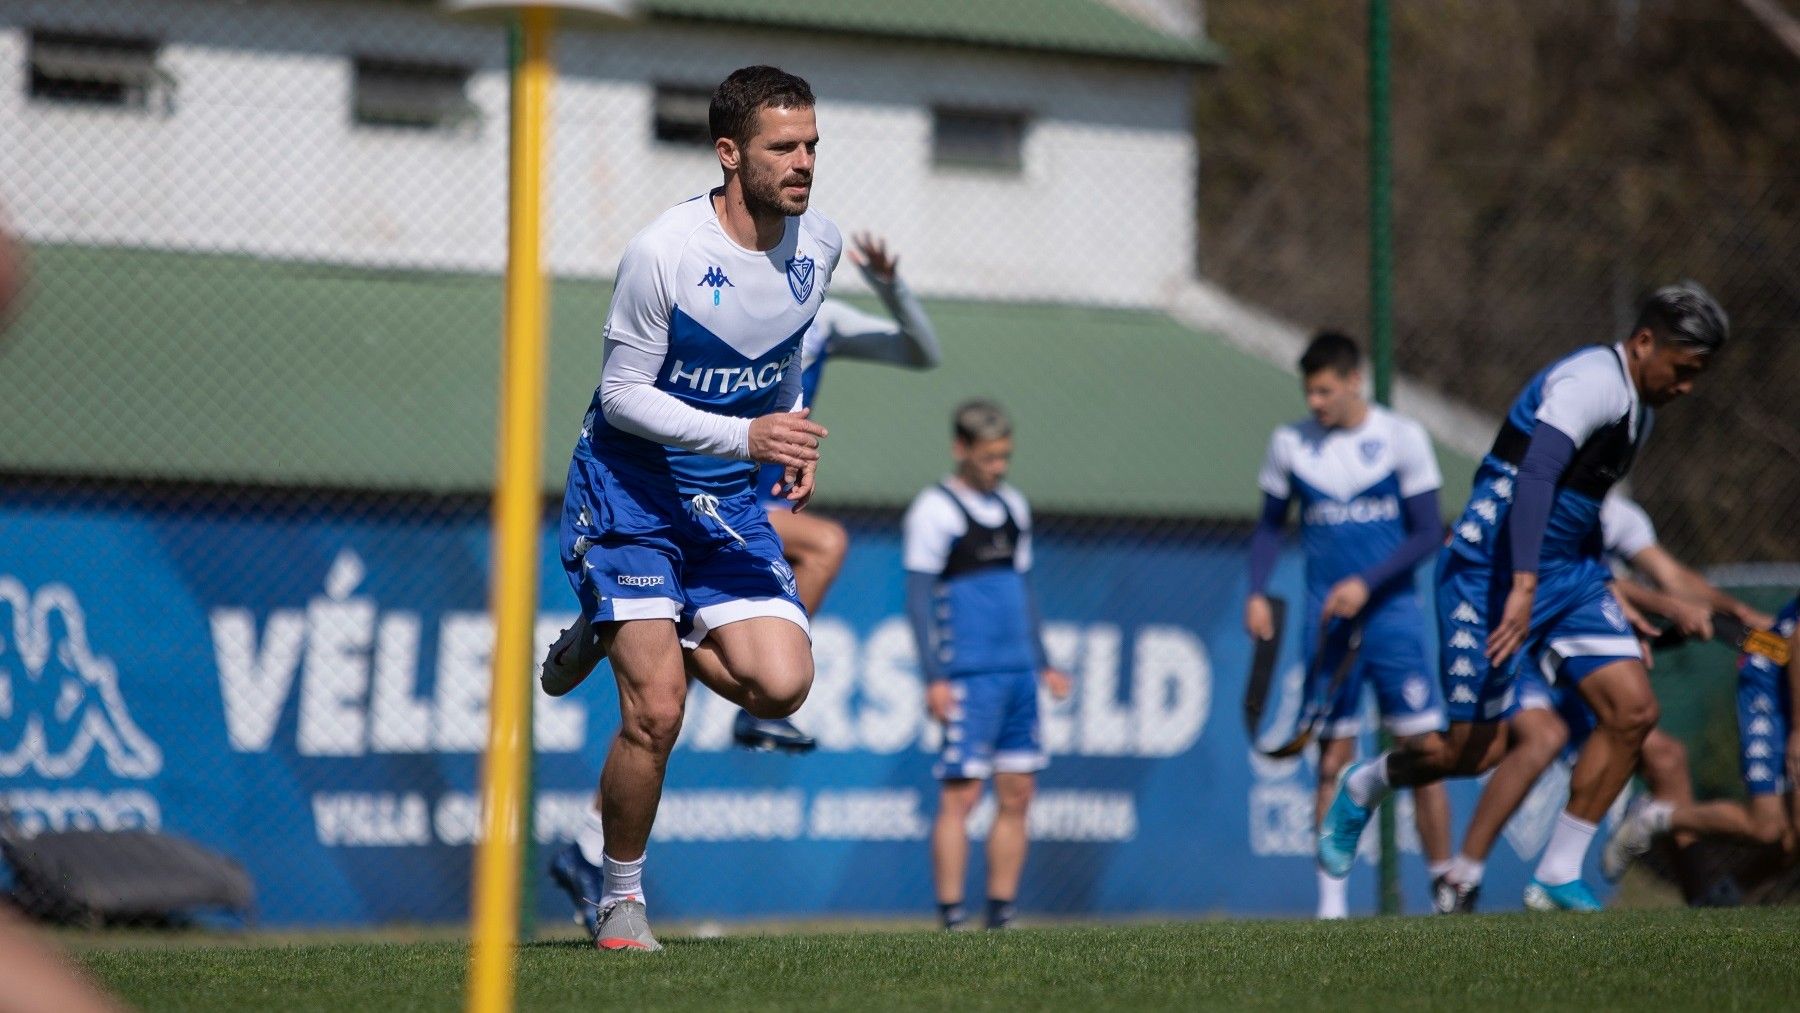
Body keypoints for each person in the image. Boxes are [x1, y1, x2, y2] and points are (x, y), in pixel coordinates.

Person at [537, 65, 841, 951]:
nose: (803, 162)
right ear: (729, 153)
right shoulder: (664, 251)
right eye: (783, 147)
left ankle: (620, 624)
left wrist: (788, 431)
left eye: (811, 145)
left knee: (781, 685)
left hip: (723, 498)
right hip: (629, 490)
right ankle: (620, 899)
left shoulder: (819, 245)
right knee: (658, 709)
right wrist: (748, 436)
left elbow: (783, 353)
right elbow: (622, 396)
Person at [1318, 283, 1730, 912]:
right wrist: (1523, 586)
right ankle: (1368, 782)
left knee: (1633, 712)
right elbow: (1536, 475)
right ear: (1645, 342)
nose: (1688, 386)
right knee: (1472, 752)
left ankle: (1558, 872)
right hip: (1488, 575)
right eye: (1683, 368)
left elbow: (1578, 510)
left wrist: (1607, 590)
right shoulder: (1592, 382)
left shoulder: (1639, 411)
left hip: (1568, 577)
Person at [1435, 492, 1771, 911]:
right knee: (1542, 737)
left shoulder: (1619, 515)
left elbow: (1672, 576)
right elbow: (1589, 580)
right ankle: (1462, 878)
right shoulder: (1543, 498)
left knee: (1665, 756)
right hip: (1527, 647)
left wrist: (1739, 612)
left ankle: (1701, 897)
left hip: (1581, 663)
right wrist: (1667, 607)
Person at [1244, 331, 1453, 919]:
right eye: (1309, 392)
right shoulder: (1290, 444)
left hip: (1392, 619)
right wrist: (1256, 591)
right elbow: (1268, 528)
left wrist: (1368, 582)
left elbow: (1428, 533)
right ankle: (1331, 906)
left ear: (1355, 381)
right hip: (1326, 622)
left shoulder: (1402, 438)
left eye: (1325, 391)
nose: (1315, 402)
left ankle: (1447, 890)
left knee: (1425, 753)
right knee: (1332, 759)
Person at [733, 232, 942, 753]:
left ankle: (763, 694)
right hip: (712, 496)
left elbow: (922, 352)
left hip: (760, 508)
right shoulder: (724, 299)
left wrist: (890, 287)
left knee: (665, 704)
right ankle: (765, 691)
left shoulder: (824, 319)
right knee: (659, 711)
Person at [904, 400, 1071, 930]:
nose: (999, 467)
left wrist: (1044, 662)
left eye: (1005, 457)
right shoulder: (935, 510)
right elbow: (918, 601)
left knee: (1018, 793)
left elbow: (1023, 589)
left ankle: (1001, 913)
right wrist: (934, 678)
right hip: (969, 677)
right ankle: (952, 917)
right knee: (963, 795)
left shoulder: (1014, 507)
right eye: (989, 457)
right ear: (962, 449)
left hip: (1019, 674)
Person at [1603, 591, 1799, 877]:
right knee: (1770, 826)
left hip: (1782, 672)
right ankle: (1652, 818)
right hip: (1775, 689)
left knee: (1779, 835)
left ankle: (1724, 893)